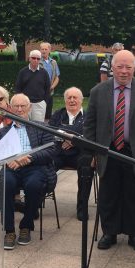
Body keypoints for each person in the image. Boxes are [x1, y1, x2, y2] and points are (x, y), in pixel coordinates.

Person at [84, 50, 135, 253]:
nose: (124, 71)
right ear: (112, 68)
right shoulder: (98, 91)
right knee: (108, 195)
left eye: (129, 67)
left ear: (134, 68)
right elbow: (89, 126)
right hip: (107, 151)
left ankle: (134, 234)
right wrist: (93, 152)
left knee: (134, 196)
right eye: (120, 66)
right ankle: (109, 232)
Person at [0, 94, 56, 250]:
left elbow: (51, 150)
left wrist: (29, 158)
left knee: (34, 185)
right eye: (16, 106)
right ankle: (9, 230)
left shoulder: (41, 127)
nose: (20, 109)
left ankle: (26, 226)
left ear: (29, 108)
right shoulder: (4, 131)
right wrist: (7, 160)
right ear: (11, 108)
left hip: (34, 166)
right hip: (12, 167)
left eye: (23, 106)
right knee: (6, 184)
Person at [49, 87, 91, 221]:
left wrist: (74, 141)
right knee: (45, 165)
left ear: (81, 100)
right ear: (65, 100)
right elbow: (49, 132)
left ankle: (82, 208)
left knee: (86, 167)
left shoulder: (89, 116)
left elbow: (92, 136)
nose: (72, 100)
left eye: (75, 97)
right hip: (59, 153)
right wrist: (70, 136)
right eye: (69, 97)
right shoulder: (58, 114)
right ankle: (36, 203)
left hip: (80, 154)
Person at [14, 49, 50, 123]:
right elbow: (18, 88)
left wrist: (44, 102)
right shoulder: (22, 72)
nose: (36, 60)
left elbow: (47, 89)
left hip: (39, 104)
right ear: (29, 58)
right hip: (25, 104)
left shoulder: (44, 73)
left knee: (38, 128)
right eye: (33, 58)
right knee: (23, 125)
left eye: (38, 59)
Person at [40, 42, 60, 119]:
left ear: (49, 50)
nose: (44, 51)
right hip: (40, 92)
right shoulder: (37, 61)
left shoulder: (53, 62)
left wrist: (51, 87)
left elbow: (57, 77)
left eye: (46, 49)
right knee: (40, 114)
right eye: (42, 49)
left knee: (48, 115)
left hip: (50, 92)